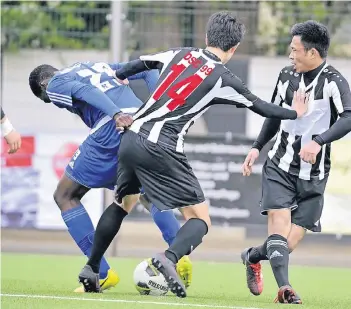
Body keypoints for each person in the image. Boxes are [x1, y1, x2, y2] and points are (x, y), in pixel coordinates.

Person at [77, 11, 308, 297]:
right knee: (200, 219)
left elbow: (135, 65)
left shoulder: (179, 54)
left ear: (207, 37)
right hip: (162, 146)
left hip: (131, 137)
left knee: (123, 203)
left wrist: (120, 75)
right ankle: (168, 258)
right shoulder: (223, 78)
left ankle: (91, 267)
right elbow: (263, 107)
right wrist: (295, 112)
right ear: (233, 49)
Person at [28, 60, 192, 292]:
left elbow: (85, 90)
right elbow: (147, 68)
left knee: (65, 195)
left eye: (46, 99)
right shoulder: (97, 65)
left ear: (43, 85)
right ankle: (179, 256)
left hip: (113, 126)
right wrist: (160, 107)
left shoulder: (55, 83)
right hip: (145, 125)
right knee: (143, 194)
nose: (53, 102)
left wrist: (116, 114)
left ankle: (100, 273)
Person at [240, 20, 351, 304]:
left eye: (295, 49)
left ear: (313, 53)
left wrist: (319, 141)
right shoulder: (286, 76)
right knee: (278, 227)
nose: (291, 55)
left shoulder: (334, 82)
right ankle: (285, 288)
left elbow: (349, 117)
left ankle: (252, 256)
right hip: (280, 165)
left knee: (289, 242)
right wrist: (256, 147)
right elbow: (274, 115)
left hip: (315, 175)